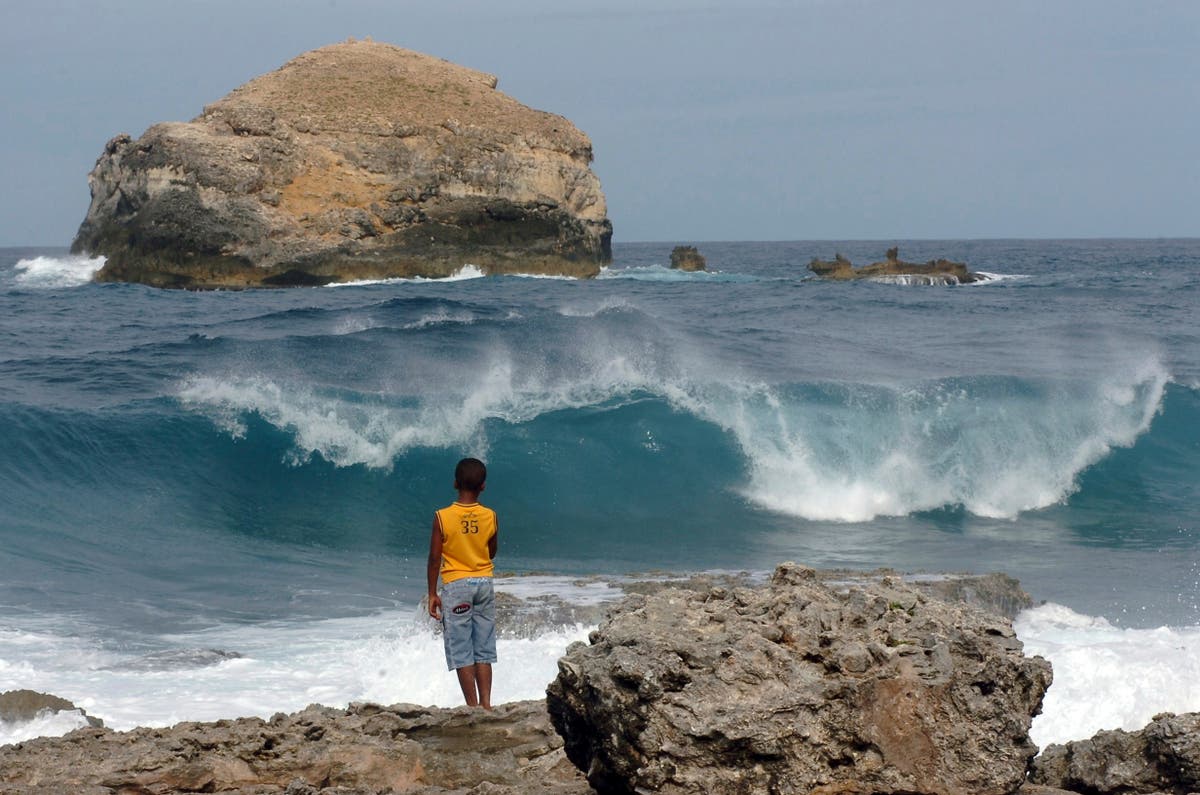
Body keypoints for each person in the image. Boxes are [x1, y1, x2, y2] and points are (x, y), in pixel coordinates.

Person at [426, 457, 499, 708]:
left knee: (461, 647)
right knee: (483, 645)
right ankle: (487, 704)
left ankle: (473, 706)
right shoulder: (490, 516)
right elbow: (492, 552)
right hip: (484, 584)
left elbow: (435, 558)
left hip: (457, 585)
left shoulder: (442, 517)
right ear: (483, 487)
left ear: (455, 483)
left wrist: (432, 593)